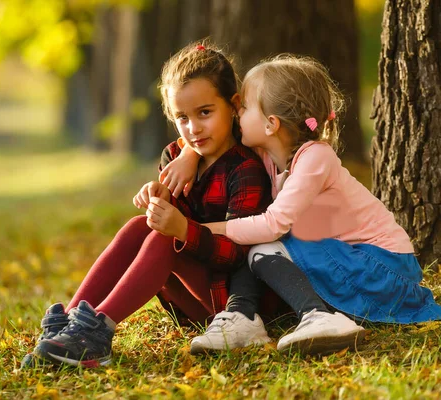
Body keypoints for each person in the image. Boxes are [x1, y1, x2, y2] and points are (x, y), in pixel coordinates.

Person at [160, 54, 441, 356]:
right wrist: (188, 155)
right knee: (260, 243)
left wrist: (197, 229)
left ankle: (317, 316)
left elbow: (274, 224)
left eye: (243, 108)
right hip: (348, 261)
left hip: (383, 267)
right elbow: (213, 137)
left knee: (265, 239)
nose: (236, 113)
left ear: (270, 124)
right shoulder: (268, 156)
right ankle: (246, 317)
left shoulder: (315, 158)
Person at [20, 42, 273, 368]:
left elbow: (241, 251)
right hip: (190, 297)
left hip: (230, 305)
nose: (193, 128)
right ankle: (71, 323)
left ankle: (98, 333)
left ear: (234, 105)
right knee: (140, 225)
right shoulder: (176, 157)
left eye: (205, 113)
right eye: (182, 117)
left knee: (163, 236)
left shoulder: (245, 169)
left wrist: (182, 229)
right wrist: (162, 196)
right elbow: (165, 221)